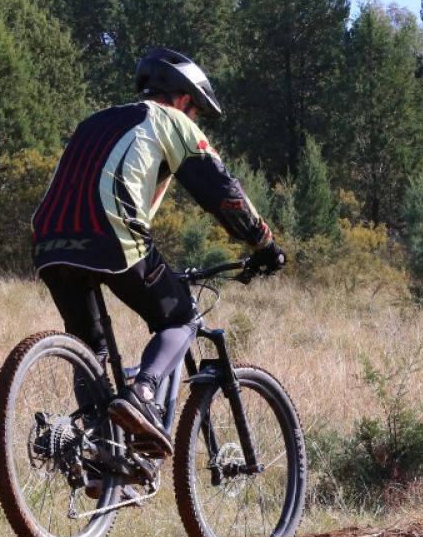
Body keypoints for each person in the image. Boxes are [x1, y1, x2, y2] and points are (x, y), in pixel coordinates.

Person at [31, 47, 286, 459]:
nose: (196, 120)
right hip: (111, 230)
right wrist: (264, 244)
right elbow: (223, 193)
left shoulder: (95, 121)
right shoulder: (169, 120)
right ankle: (143, 393)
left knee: (91, 348)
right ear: (184, 99)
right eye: (197, 111)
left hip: (48, 240)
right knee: (183, 317)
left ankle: (99, 456)